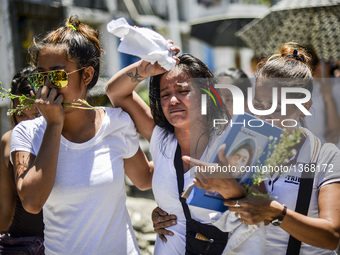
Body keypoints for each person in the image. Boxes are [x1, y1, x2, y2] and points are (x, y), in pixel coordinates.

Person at [10, 16, 153, 255]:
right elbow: (32, 202)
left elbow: (144, 179)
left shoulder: (115, 123)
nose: (47, 85)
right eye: (40, 76)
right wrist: (54, 124)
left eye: (57, 75)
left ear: (86, 76)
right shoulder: (27, 133)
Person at [106, 51, 265, 254]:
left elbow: (261, 208)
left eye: (183, 91)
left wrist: (230, 189)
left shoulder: (235, 141)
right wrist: (146, 68)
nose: (173, 100)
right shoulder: (161, 140)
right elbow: (115, 92)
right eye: (165, 94)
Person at [199, 43, 340, 254]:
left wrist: (274, 212)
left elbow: (331, 237)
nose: (266, 116)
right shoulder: (242, 145)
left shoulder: (324, 156)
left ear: (305, 107)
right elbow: (215, 214)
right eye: (260, 104)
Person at [0, 67, 43, 238]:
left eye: (37, 114)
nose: (28, 123)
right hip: (22, 243)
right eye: (21, 114)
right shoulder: (9, 140)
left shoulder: (65, 138)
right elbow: (5, 207)